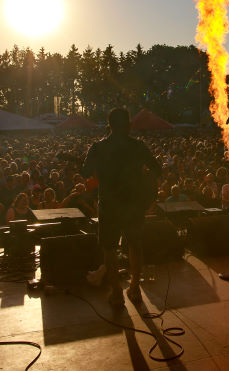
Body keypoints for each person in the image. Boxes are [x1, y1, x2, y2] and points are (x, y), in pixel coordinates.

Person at [81, 107, 161, 308]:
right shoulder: (138, 146)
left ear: (109, 125)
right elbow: (157, 169)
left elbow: (85, 172)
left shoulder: (98, 147)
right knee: (135, 244)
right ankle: (135, 287)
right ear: (129, 125)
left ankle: (116, 292)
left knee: (109, 248)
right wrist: (146, 189)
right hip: (133, 204)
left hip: (109, 205)